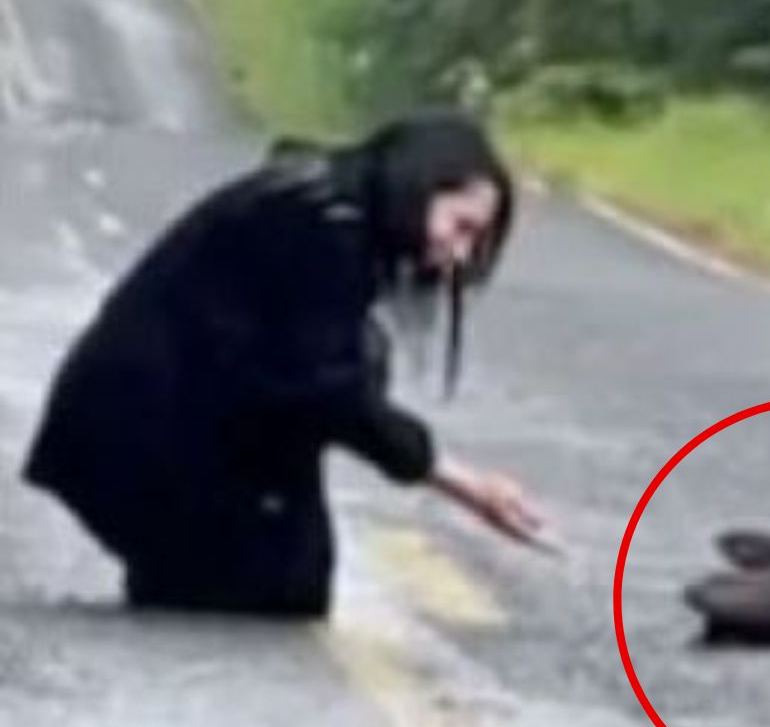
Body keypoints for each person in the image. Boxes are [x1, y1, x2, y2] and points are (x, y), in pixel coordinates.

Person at [20, 111, 547, 618]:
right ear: (419, 186)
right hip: (137, 433)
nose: (461, 253)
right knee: (269, 587)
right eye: (461, 226)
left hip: (172, 424)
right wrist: (465, 484)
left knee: (289, 575)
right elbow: (330, 390)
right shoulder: (321, 226)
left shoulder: (323, 206)